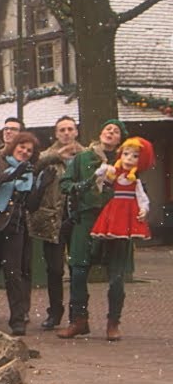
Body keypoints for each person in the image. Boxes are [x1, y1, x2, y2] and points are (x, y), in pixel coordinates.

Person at [58, 119, 127, 340]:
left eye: (116, 131)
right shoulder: (82, 158)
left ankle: (113, 323)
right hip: (86, 219)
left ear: (120, 139)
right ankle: (79, 321)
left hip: (116, 223)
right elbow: (65, 185)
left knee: (116, 276)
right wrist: (88, 183)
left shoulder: (127, 160)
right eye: (108, 128)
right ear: (101, 132)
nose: (111, 132)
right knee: (78, 272)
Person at [82, 135, 154, 341]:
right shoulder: (113, 172)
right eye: (126, 153)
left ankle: (113, 321)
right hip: (110, 218)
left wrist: (143, 211)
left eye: (135, 155)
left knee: (117, 276)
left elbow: (142, 198)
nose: (129, 158)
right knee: (91, 259)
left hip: (126, 222)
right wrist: (104, 171)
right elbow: (99, 180)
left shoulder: (135, 180)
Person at [0, 132, 44, 335]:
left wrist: (40, 188)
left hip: (14, 228)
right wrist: (11, 175)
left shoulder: (30, 171)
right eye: (21, 147)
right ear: (13, 146)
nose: (24, 152)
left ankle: (17, 320)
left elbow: (30, 205)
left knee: (14, 276)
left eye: (29, 150)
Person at [27, 116, 82, 330]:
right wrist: (56, 155)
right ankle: (55, 312)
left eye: (70, 129)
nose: (66, 133)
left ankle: (77, 314)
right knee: (55, 269)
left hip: (77, 218)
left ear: (76, 132)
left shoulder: (86, 155)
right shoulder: (47, 156)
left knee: (78, 268)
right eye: (62, 130)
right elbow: (33, 167)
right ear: (56, 134)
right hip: (53, 219)